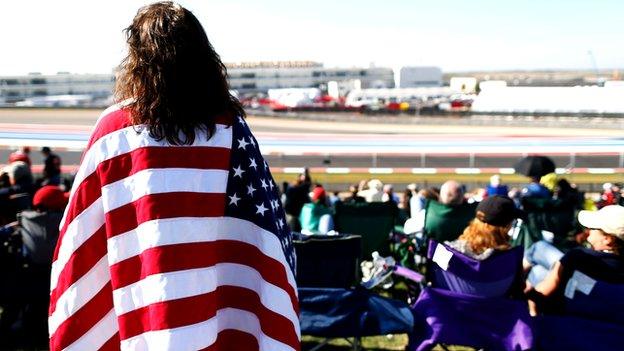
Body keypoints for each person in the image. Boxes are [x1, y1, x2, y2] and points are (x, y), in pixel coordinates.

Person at [48, 3, 299, 350]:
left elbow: (80, 238)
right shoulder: (231, 127)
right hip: (219, 314)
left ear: (138, 57)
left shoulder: (113, 130)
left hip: (146, 307)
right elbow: (268, 236)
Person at [528, 205, 624, 316]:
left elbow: (544, 292)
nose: (588, 230)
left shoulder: (579, 257)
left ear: (607, 239)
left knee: (538, 256)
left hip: (565, 319)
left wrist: (531, 307)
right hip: (602, 315)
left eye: (593, 228)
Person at [404, 180, 477, 242]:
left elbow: (407, 229)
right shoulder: (473, 215)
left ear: (440, 197)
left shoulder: (428, 214)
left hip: (434, 256)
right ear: (462, 197)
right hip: (464, 256)